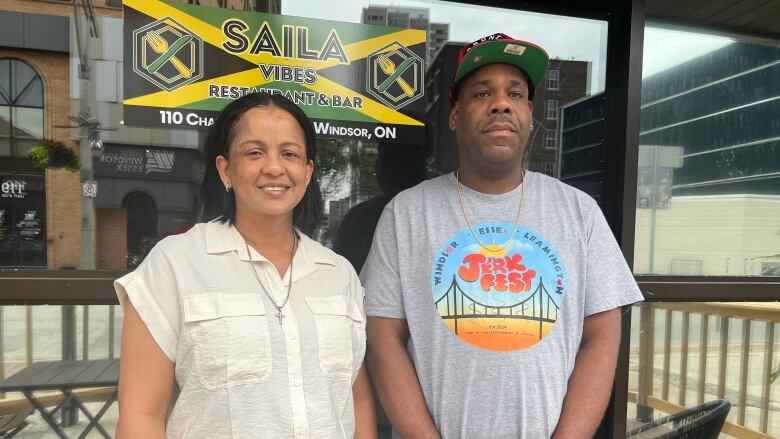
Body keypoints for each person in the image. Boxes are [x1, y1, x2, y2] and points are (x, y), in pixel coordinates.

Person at [361, 33, 644, 438]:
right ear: (454, 115)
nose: (501, 103)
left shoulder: (579, 211)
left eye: (515, 93)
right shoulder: (406, 214)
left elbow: (602, 336)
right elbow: (383, 337)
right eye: (481, 93)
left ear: (530, 114)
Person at [115, 92, 376, 438]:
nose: (274, 167)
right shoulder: (176, 263)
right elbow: (142, 415)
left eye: (290, 154)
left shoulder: (338, 274)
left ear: (308, 171)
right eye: (254, 153)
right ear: (226, 169)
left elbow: (355, 402)